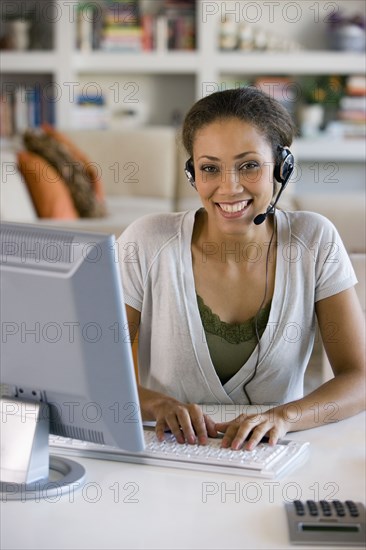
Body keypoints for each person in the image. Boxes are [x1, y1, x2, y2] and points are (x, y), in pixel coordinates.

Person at [117, 87, 365, 451]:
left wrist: (284, 417)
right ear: (193, 173)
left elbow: (359, 377)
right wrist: (158, 405)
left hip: (271, 455)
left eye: (249, 165)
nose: (228, 188)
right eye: (210, 168)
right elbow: (96, 373)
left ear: (282, 167)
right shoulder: (147, 241)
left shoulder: (314, 240)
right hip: (170, 454)